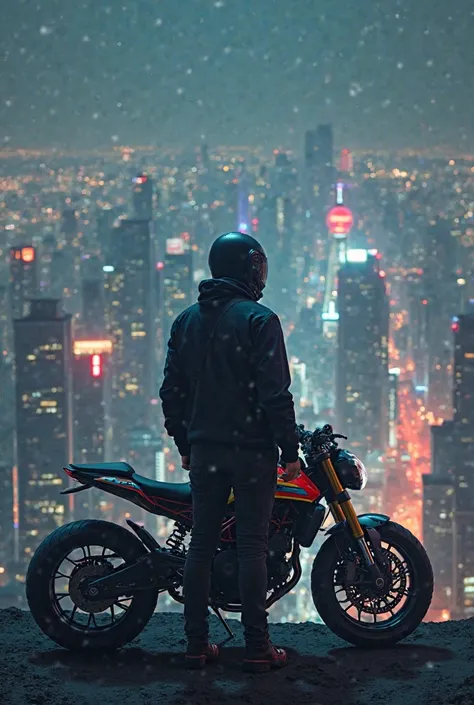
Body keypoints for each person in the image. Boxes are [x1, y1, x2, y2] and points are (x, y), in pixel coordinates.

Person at [159, 231, 301, 673]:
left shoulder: (186, 321)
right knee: (252, 545)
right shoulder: (260, 320)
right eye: (257, 264)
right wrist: (290, 450)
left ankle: (195, 647)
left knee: (200, 545)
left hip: (205, 450)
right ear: (247, 266)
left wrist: (185, 444)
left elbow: (171, 393)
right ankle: (257, 648)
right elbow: (276, 395)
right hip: (253, 451)